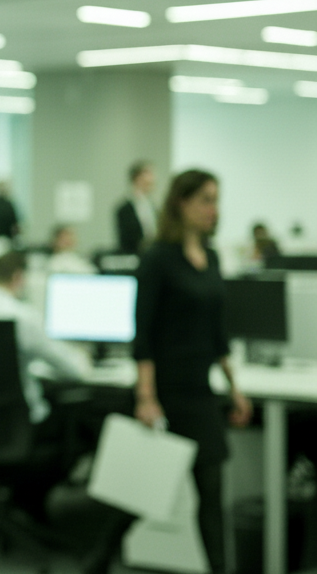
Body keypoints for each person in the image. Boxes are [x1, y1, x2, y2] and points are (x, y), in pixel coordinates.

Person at [84, 169, 254, 574]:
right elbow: (142, 334)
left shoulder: (210, 257)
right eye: (206, 200)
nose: (214, 209)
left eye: (216, 200)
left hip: (200, 391)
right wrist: (146, 396)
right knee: (139, 494)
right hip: (165, 391)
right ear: (182, 203)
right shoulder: (158, 257)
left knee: (211, 493)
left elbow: (218, 334)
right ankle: (97, 562)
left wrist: (235, 389)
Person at [0, 250, 90, 522]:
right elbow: (75, 370)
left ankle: (22, 504)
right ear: (18, 278)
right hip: (19, 429)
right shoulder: (22, 316)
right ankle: (31, 505)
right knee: (86, 424)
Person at [115, 160, 158, 254]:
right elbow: (126, 241)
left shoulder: (154, 208)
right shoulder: (124, 210)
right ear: (137, 178)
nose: (153, 178)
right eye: (149, 173)